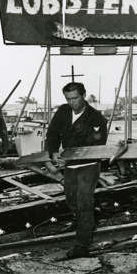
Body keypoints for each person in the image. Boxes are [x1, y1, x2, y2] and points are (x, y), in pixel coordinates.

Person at [45, 82, 108, 258]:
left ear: (83, 95)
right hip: (70, 166)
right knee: (71, 199)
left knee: (84, 202)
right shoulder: (63, 112)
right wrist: (52, 152)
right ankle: (84, 219)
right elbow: (52, 134)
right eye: (68, 99)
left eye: (75, 98)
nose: (72, 102)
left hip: (88, 165)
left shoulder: (96, 118)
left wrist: (71, 155)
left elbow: (96, 145)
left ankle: (82, 245)